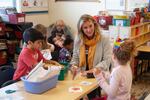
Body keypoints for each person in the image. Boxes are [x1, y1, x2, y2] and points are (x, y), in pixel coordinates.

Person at [70, 14, 112, 99]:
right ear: (81, 29)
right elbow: (75, 57)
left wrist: (92, 71)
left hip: (97, 75)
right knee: (76, 95)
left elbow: (107, 61)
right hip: (81, 75)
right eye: (85, 28)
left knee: (93, 96)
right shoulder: (78, 39)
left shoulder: (104, 39)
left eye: (90, 26)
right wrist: (74, 66)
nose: (89, 30)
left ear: (94, 24)